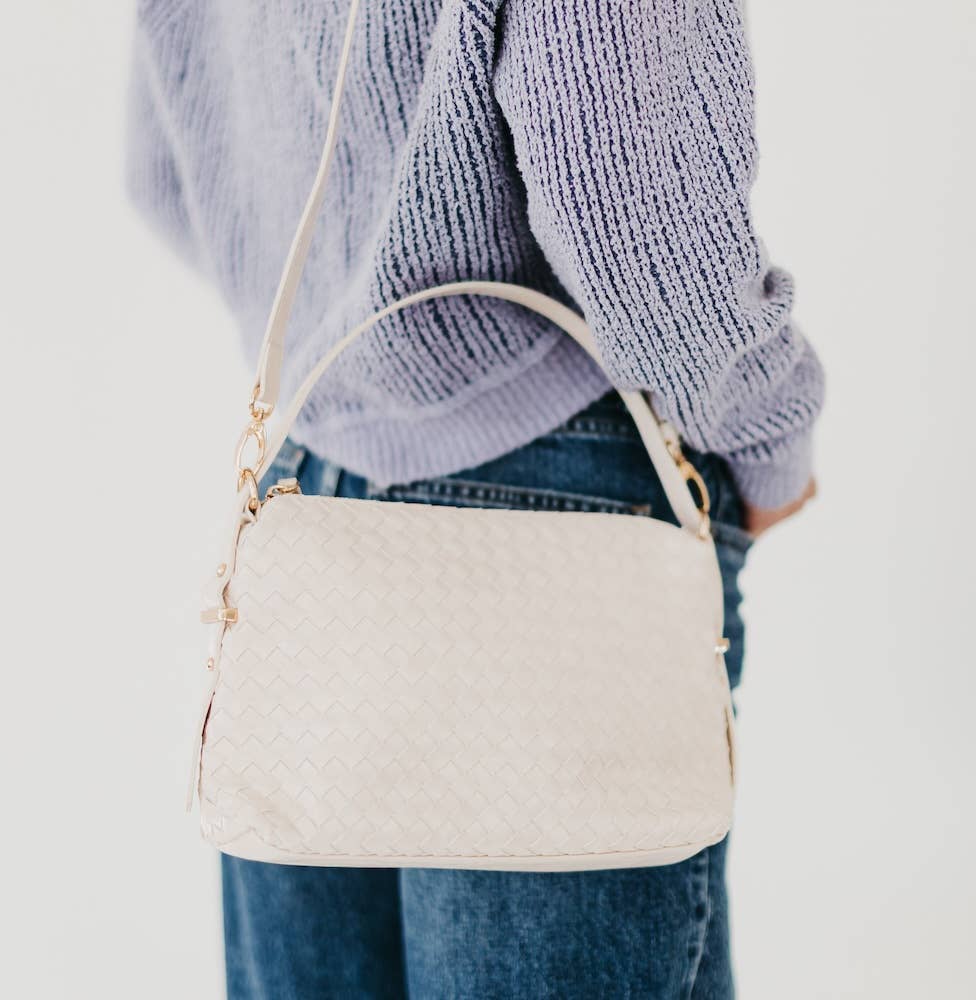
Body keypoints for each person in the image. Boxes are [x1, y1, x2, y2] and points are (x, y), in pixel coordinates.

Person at [130, 1, 823, 996]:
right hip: (561, 511)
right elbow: (630, 202)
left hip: (307, 505)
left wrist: (350, 309)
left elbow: (163, 162)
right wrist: (769, 441)